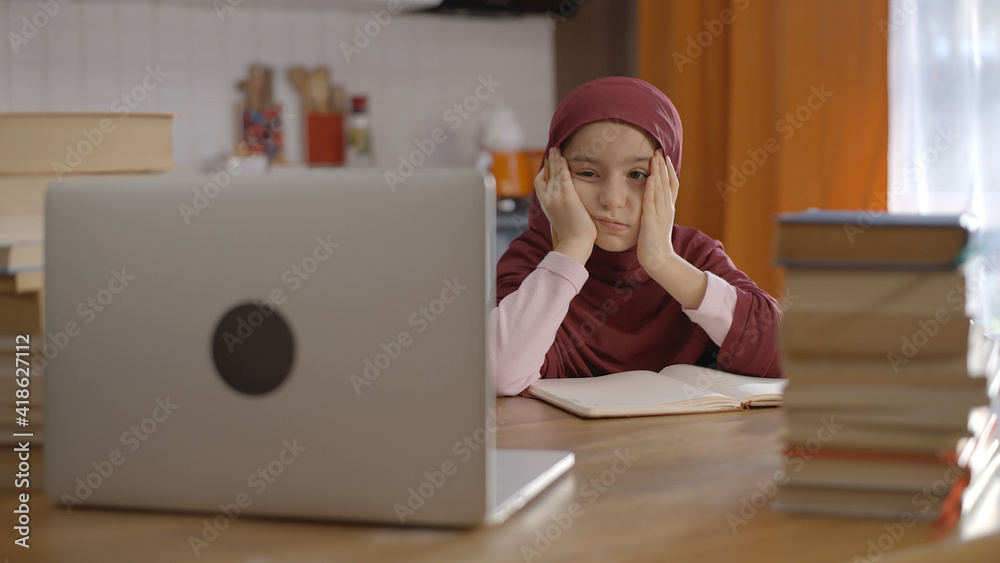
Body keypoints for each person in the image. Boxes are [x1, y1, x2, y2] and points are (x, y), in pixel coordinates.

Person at [491, 77, 782, 396]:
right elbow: (498, 374)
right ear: (551, 174)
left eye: (637, 175)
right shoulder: (535, 259)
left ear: (670, 180)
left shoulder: (692, 253)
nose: (613, 199)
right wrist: (571, 249)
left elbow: (781, 353)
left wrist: (663, 261)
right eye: (588, 173)